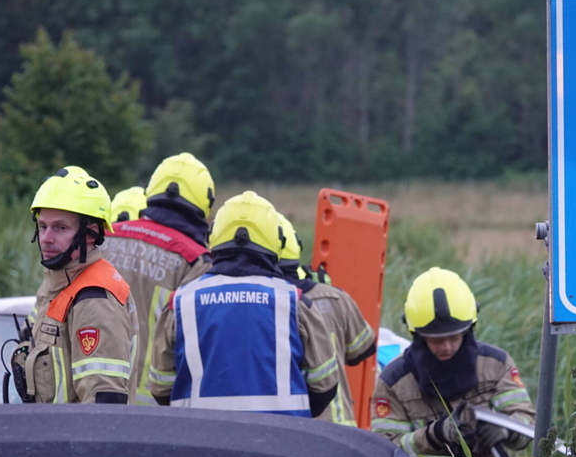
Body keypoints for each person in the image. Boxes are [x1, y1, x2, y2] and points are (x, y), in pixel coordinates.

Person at [149, 191, 339, 416]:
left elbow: (161, 387)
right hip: (283, 444)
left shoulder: (180, 302)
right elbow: (324, 386)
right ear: (276, 241)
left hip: (200, 442)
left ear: (214, 236)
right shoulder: (295, 302)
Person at [371, 267, 535, 457]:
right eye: (436, 340)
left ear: (468, 330)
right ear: (418, 336)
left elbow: (528, 425)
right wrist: (435, 435)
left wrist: (504, 429)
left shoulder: (495, 365)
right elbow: (387, 455)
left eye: (454, 337)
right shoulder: (394, 381)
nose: (446, 347)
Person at [11, 166, 137, 404]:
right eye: (42, 226)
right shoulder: (56, 284)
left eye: (61, 228)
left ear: (90, 233)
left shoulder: (95, 299)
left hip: (71, 440)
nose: (46, 238)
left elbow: (104, 405)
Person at [105, 153, 214, 404]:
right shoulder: (195, 260)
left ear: (151, 190)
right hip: (155, 410)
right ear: (204, 202)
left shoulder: (103, 237)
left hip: (85, 403)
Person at [277, 213, 376, 426]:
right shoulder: (333, 297)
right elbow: (363, 349)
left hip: (292, 431)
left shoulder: (264, 306)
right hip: (342, 428)